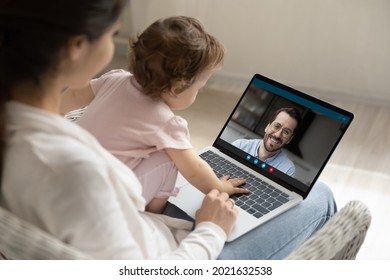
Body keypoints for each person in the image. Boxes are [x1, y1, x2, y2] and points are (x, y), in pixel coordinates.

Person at [0, 0, 336, 260]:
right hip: (173, 251)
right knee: (320, 197)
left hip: (135, 226)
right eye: (111, 33)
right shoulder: (77, 172)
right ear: (75, 47)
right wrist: (211, 229)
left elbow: (74, 98)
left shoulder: (23, 133)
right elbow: (190, 170)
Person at [60, 16, 248, 214]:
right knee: (168, 158)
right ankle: (154, 213)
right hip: (106, 200)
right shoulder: (167, 124)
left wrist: (54, 112)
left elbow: (73, 94)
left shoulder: (114, 78)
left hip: (71, 170)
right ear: (178, 87)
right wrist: (220, 187)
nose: (198, 92)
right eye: (199, 88)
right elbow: (194, 170)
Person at [233, 107, 301, 177]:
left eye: (286, 132)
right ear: (267, 126)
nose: (277, 135)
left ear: (289, 139)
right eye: (276, 126)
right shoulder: (240, 145)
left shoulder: (288, 170)